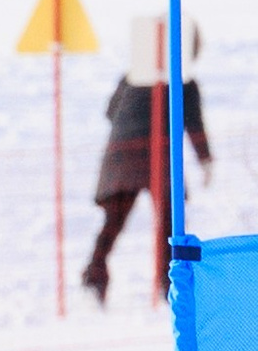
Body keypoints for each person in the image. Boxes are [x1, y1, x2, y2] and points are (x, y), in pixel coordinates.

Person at [82, 31, 213, 305]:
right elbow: (194, 122)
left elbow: (109, 112)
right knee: (170, 221)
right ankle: (169, 284)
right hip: (156, 155)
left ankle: (94, 276)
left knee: (114, 220)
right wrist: (205, 158)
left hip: (121, 154)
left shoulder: (132, 76)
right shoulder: (184, 81)